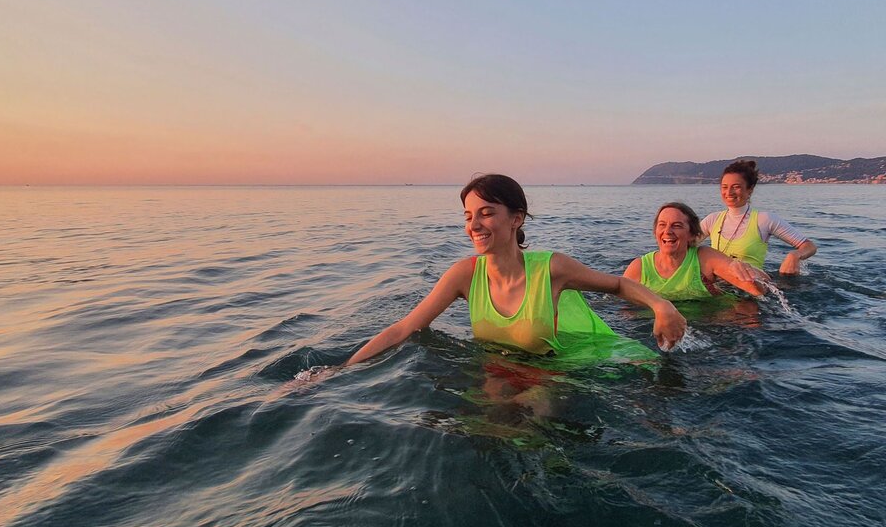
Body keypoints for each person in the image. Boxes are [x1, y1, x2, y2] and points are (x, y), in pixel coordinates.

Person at [345, 174, 687, 366]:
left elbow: (617, 285)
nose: (474, 225)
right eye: (468, 215)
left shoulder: (552, 268)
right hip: (498, 370)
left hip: (553, 374)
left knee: (527, 437)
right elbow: (405, 327)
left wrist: (662, 306)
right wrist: (339, 372)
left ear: (516, 218)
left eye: (487, 213)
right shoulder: (463, 275)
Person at [624, 202, 769, 301]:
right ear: (656, 231)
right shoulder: (639, 268)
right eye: (662, 225)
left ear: (692, 234)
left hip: (708, 322)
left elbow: (758, 291)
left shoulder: (705, 258)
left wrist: (747, 273)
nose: (667, 231)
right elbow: (620, 308)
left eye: (677, 226)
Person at [701, 160, 817, 275]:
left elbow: (809, 246)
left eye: (736, 187)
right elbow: (686, 244)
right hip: (716, 287)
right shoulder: (713, 219)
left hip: (750, 288)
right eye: (724, 187)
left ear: (750, 189)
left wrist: (794, 256)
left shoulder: (764, 220)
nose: (729, 192)